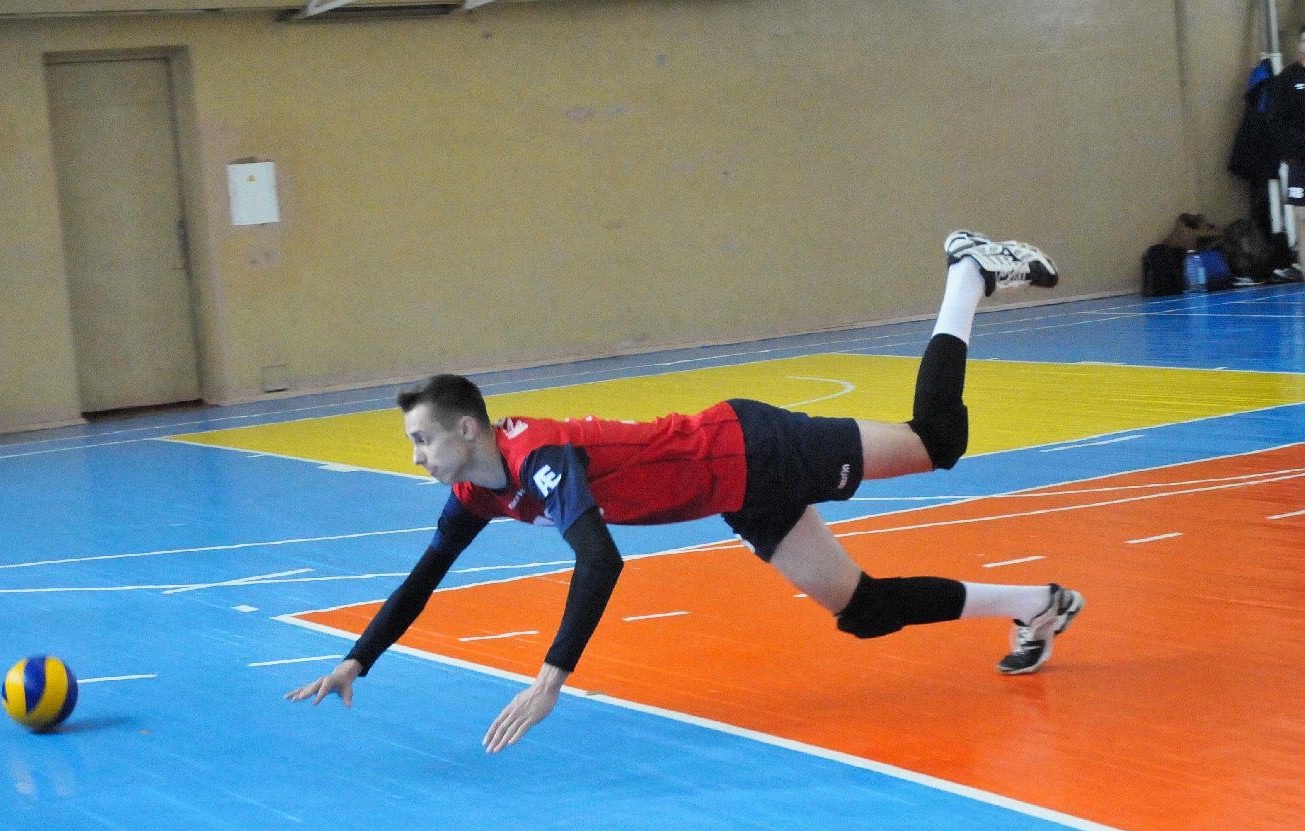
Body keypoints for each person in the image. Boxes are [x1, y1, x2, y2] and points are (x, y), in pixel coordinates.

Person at [287, 231, 1085, 754]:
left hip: (752, 448)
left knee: (936, 443)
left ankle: (966, 273)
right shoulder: (478, 492)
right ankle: (1037, 604)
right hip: (737, 489)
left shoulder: (539, 458)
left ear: (467, 430)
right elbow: (423, 577)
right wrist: (358, 659)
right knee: (863, 611)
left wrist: (549, 677)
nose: (417, 456)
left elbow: (600, 562)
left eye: (423, 439)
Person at [1267, 24, 1305, 281]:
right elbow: (1275, 121)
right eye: (1303, 41)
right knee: (1302, 219)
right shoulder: (1288, 78)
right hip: (1299, 160)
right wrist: (1293, 145)